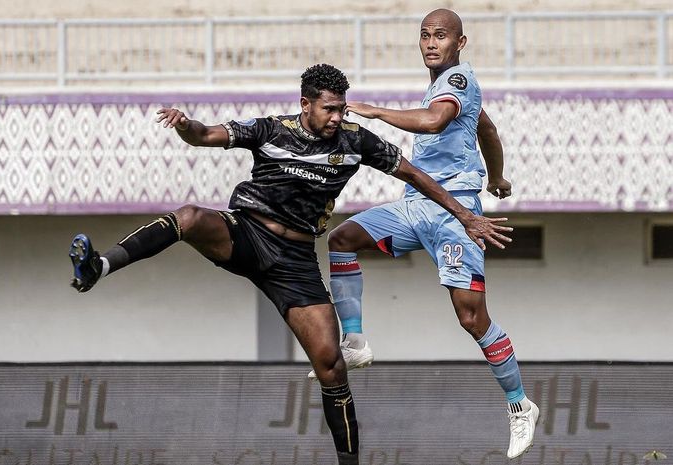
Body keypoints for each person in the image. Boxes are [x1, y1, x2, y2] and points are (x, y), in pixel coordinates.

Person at [68, 63, 512, 465]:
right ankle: (99, 268)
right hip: (246, 234)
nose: (338, 118)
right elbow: (205, 136)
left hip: (295, 262)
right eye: (329, 109)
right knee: (189, 217)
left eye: (341, 109)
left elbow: (415, 175)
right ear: (305, 104)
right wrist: (186, 125)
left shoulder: (357, 142)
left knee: (331, 364)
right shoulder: (270, 130)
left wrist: (466, 215)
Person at [311, 10, 539, 459]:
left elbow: (434, 122)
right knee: (342, 239)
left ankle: (519, 404)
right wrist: (498, 176)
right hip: (418, 205)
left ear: (460, 42)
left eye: (441, 36)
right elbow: (487, 129)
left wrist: (375, 111)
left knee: (472, 318)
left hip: (455, 214)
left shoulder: (457, 81)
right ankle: (354, 341)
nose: (432, 43)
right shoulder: (446, 85)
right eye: (425, 35)